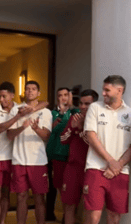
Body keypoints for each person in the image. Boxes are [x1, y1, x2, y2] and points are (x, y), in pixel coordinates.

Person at [0, 82, 47, 224]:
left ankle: (2, 221)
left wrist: (33, 113)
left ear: (12, 96)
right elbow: (3, 131)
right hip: (5, 159)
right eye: (27, 89)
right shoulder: (12, 110)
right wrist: (20, 119)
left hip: (21, 159)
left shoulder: (35, 110)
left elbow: (45, 103)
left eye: (5, 96)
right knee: (2, 195)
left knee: (13, 196)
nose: (2, 99)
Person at [83, 75, 131, 224]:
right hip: (96, 168)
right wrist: (110, 161)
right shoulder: (95, 108)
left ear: (119, 90)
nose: (103, 93)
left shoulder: (129, 114)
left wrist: (118, 165)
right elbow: (91, 136)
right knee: (93, 217)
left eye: (107, 90)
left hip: (120, 171)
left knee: (114, 217)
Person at [7, 80, 52, 224]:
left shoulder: (46, 112)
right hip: (19, 160)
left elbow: (46, 136)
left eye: (33, 89)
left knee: (39, 198)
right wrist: (22, 126)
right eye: (27, 89)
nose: (30, 91)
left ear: (38, 93)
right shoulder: (16, 110)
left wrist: (36, 129)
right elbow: (9, 135)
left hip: (38, 161)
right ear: (24, 92)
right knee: (21, 197)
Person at [59, 89, 99, 224]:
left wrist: (80, 128)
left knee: (90, 207)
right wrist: (74, 128)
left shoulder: (99, 120)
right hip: (73, 168)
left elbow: (94, 145)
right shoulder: (74, 117)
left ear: (95, 104)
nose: (82, 107)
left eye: (87, 104)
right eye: (81, 103)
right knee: (69, 205)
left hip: (91, 169)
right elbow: (63, 139)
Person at [46, 87, 79, 221]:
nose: (63, 98)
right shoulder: (52, 113)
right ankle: (65, 217)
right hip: (57, 155)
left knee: (72, 190)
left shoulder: (76, 112)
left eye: (66, 95)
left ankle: (68, 217)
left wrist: (70, 107)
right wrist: (61, 114)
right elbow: (52, 131)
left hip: (73, 157)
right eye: (60, 95)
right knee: (60, 189)